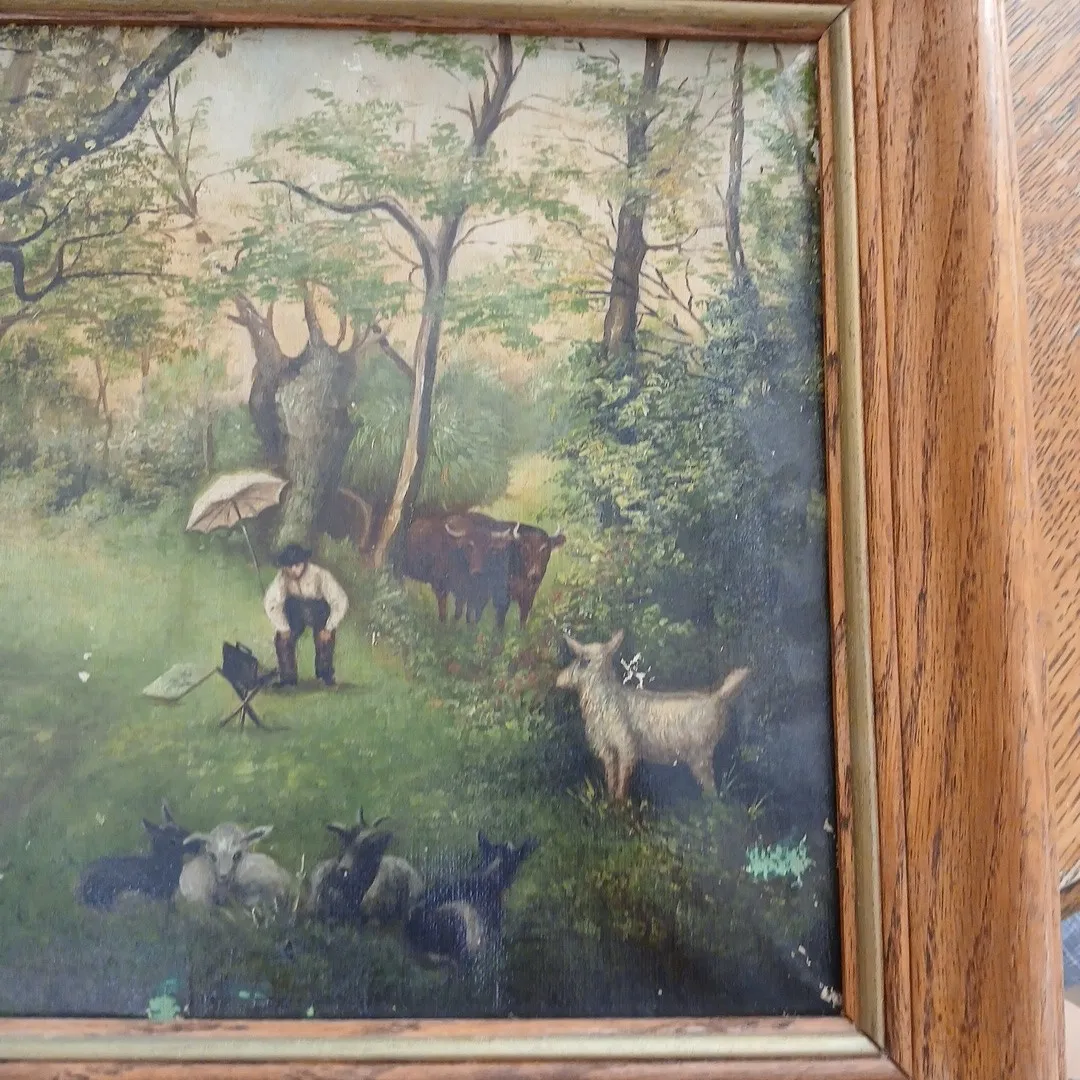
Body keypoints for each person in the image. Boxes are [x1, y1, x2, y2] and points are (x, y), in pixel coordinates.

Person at [263, 543, 349, 687]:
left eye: (297, 565)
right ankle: (288, 679)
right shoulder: (282, 578)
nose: (293, 570)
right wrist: (283, 627)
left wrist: (329, 627)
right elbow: (271, 603)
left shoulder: (320, 574)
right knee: (282, 640)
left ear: (304, 562)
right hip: (295, 611)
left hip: (318, 610)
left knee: (324, 640)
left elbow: (340, 600)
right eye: (289, 566)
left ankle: (325, 676)